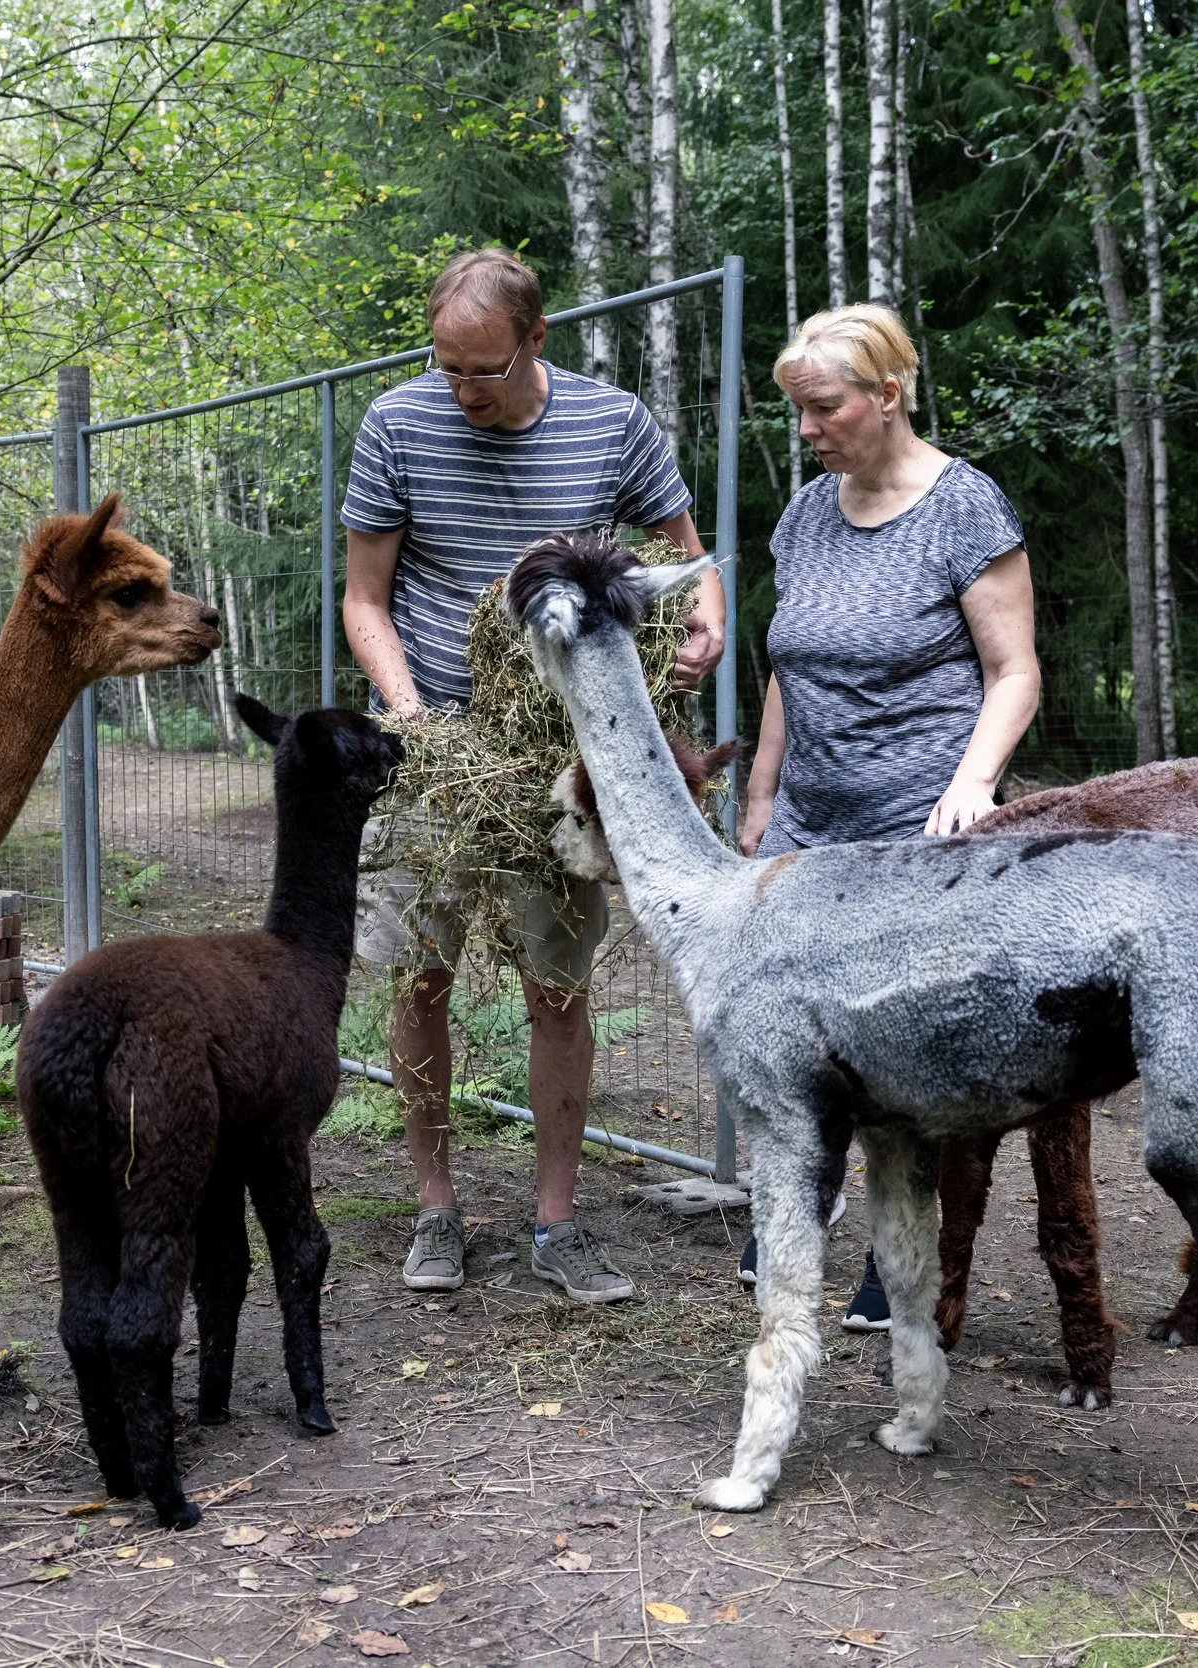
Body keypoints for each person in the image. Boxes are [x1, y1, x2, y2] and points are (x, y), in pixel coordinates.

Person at [340, 247, 726, 1305]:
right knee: (417, 976)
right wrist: (414, 719)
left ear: (535, 341)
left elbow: (689, 557)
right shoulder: (396, 426)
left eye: (486, 370)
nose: (463, 392)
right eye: (447, 367)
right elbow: (365, 599)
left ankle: (556, 1224)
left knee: (557, 988)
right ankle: (434, 1209)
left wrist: (706, 631)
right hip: (434, 758)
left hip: (567, 758)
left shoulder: (613, 424)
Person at [735, 303, 1040, 1328]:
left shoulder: (965, 509)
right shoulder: (806, 515)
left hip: (917, 825)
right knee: (784, 1026)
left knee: (898, 1051)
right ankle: (796, 1207)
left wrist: (974, 782)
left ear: (887, 396)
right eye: (798, 413)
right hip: (807, 823)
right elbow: (788, 663)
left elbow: (1012, 671)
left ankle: (895, 1254)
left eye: (823, 408)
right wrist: (762, 792)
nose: (808, 430)